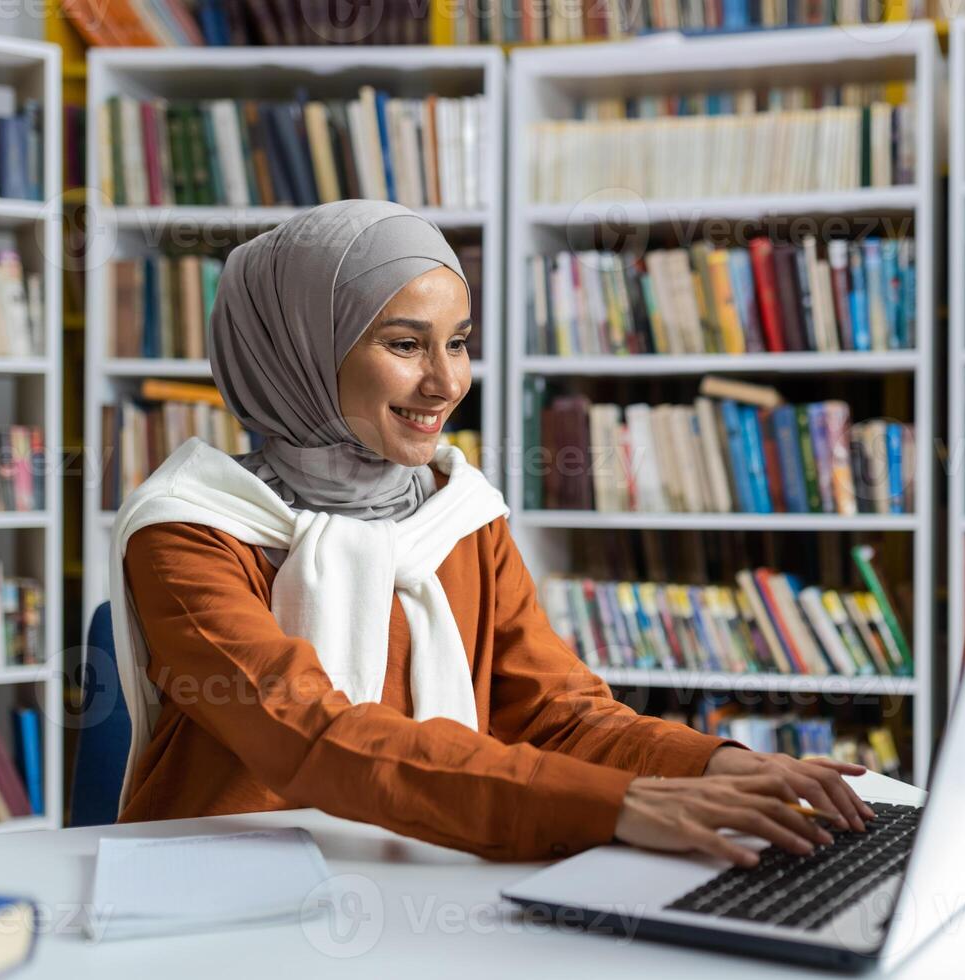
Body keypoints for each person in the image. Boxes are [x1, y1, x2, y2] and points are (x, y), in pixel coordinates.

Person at [106, 200, 873, 867]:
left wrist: (711, 766)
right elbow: (310, 735)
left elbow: (558, 712)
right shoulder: (191, 529)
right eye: (406, 345)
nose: (446, 383)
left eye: (460, 341)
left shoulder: (459, 512)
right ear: (297, 349)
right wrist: (617, 806)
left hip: (417, 862)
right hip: (219, 897)